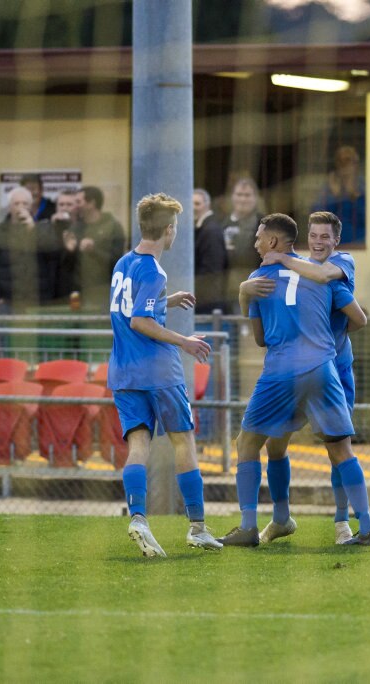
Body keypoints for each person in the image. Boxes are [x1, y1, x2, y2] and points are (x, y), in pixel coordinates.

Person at [218, 213, 370, 547]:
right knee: (337, 449)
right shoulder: (321, 278)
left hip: (285, 372)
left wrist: (245, 294)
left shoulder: (264, 279)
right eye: (313, 236)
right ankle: (360, 527)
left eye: (260, 237)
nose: (256, 242)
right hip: (324, 368)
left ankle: (253, 524)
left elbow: (260, 339)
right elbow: (359, 318)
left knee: (250, 443)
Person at [108, 192, 222, 556]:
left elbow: (128, 309)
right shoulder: (155, 271)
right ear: (169, 229)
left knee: (138, 444)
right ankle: (198, 528)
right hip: (158, 369)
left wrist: (165, 301)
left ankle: (138, 518)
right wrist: (183, 341)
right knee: (183, 441)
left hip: (123, 370)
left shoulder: (123, 263)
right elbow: (140, 320)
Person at [0, 186, 61, 314]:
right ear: (10, 207)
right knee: (8, 334)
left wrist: (33, 230)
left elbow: (54, 256)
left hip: (39, 300)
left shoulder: (44, 229)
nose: (20, 207)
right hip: (7, 301)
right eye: (16, 203)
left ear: (31, 207)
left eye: (25, 203)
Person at [68, 185, 127, 313]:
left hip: (104, 291)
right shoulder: (75, 228)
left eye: (79, 202)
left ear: (91, 203)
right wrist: (69, 250)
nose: (75, 205)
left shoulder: (113, 227)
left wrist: (94, 250)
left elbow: (118, 260)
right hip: (80, 292)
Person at [222, 177, 263, 312]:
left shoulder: (263, 223)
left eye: (247, 195)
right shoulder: (223, 223)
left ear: (255, 198)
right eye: (239, 195)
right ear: (232, 197)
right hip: (227, 288)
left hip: (255, 286)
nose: (243, 199)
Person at [311, 145, 366, 245]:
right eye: (340, 161)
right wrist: (334, 197)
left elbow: (367, 219)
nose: (344, 164)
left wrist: (354, 197)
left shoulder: (363, 187)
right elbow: (317, 218)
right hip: (333, 244)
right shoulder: (329, 186)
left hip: (360, 243)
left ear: (356, 163)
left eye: (348, 160)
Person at [192, 188, 229, 314]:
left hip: (208, 303)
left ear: (207, 205)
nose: (193, 207)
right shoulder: (201, 229)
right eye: (190, 203)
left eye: (197, 203)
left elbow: (212, 270)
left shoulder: (210, 231)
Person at [52, 189, 86, 301]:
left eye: (69, 204)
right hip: (55, 289)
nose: (64, 208)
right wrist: (53, 228)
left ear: (77, 207)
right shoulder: (49, 227)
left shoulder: (84, 228)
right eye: (61, 204)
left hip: (78, 287)